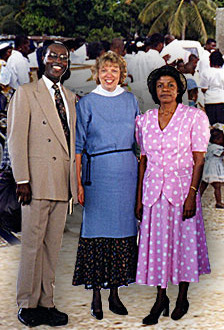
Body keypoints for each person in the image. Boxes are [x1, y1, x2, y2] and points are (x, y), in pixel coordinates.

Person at [134, 65, 211, 324]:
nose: (165, 90)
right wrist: (138, 199)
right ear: (154, 91)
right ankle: (160, 298)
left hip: (182, 192)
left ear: (179, 89)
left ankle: (182, 296)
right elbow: (143, 160)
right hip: (153, 194)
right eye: (160, 86)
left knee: (183, 245)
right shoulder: (144, 120)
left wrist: (192, 195)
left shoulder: (194, 117)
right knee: (157, 248)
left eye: (170, 85)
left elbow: (199, 160)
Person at [8, 41, 77, 327]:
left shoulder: (71, 97)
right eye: (53, 55)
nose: (58, 60)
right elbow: (15, 139)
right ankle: (27, 303)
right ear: (42, 59)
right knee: (32, 247)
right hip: (35, 182)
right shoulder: (26, 93)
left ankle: (47, 302)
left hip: (62, 182)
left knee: (52, 247)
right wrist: (22, 179)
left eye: (64, 57)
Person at [71, 51, 141, 320]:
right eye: (104, 70)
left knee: (123, 233)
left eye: (114, 70)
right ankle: (96, 296)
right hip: (97, 177)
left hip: (126, 174)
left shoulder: (130, 100)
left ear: (121, 74)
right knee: (97, 234)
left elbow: (139, 140)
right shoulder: (87, 103)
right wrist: (77, 181)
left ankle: (115, 293)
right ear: (96, 73)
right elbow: (78, 146)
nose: (109, 75)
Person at [197, 52, 224, 126]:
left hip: (209, 101)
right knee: (221, 125)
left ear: (210, 61)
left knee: (210, 125)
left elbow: (203, 89)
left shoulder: (205, 73)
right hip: (222, 100)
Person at [201, 129, 224, 209]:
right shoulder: (215, 147)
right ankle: (218, 202)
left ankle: (196, 199)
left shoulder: (209, 146)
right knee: (217, 186)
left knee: (203, 185)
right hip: (213, 170)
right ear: (217, 140)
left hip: (207, 169)